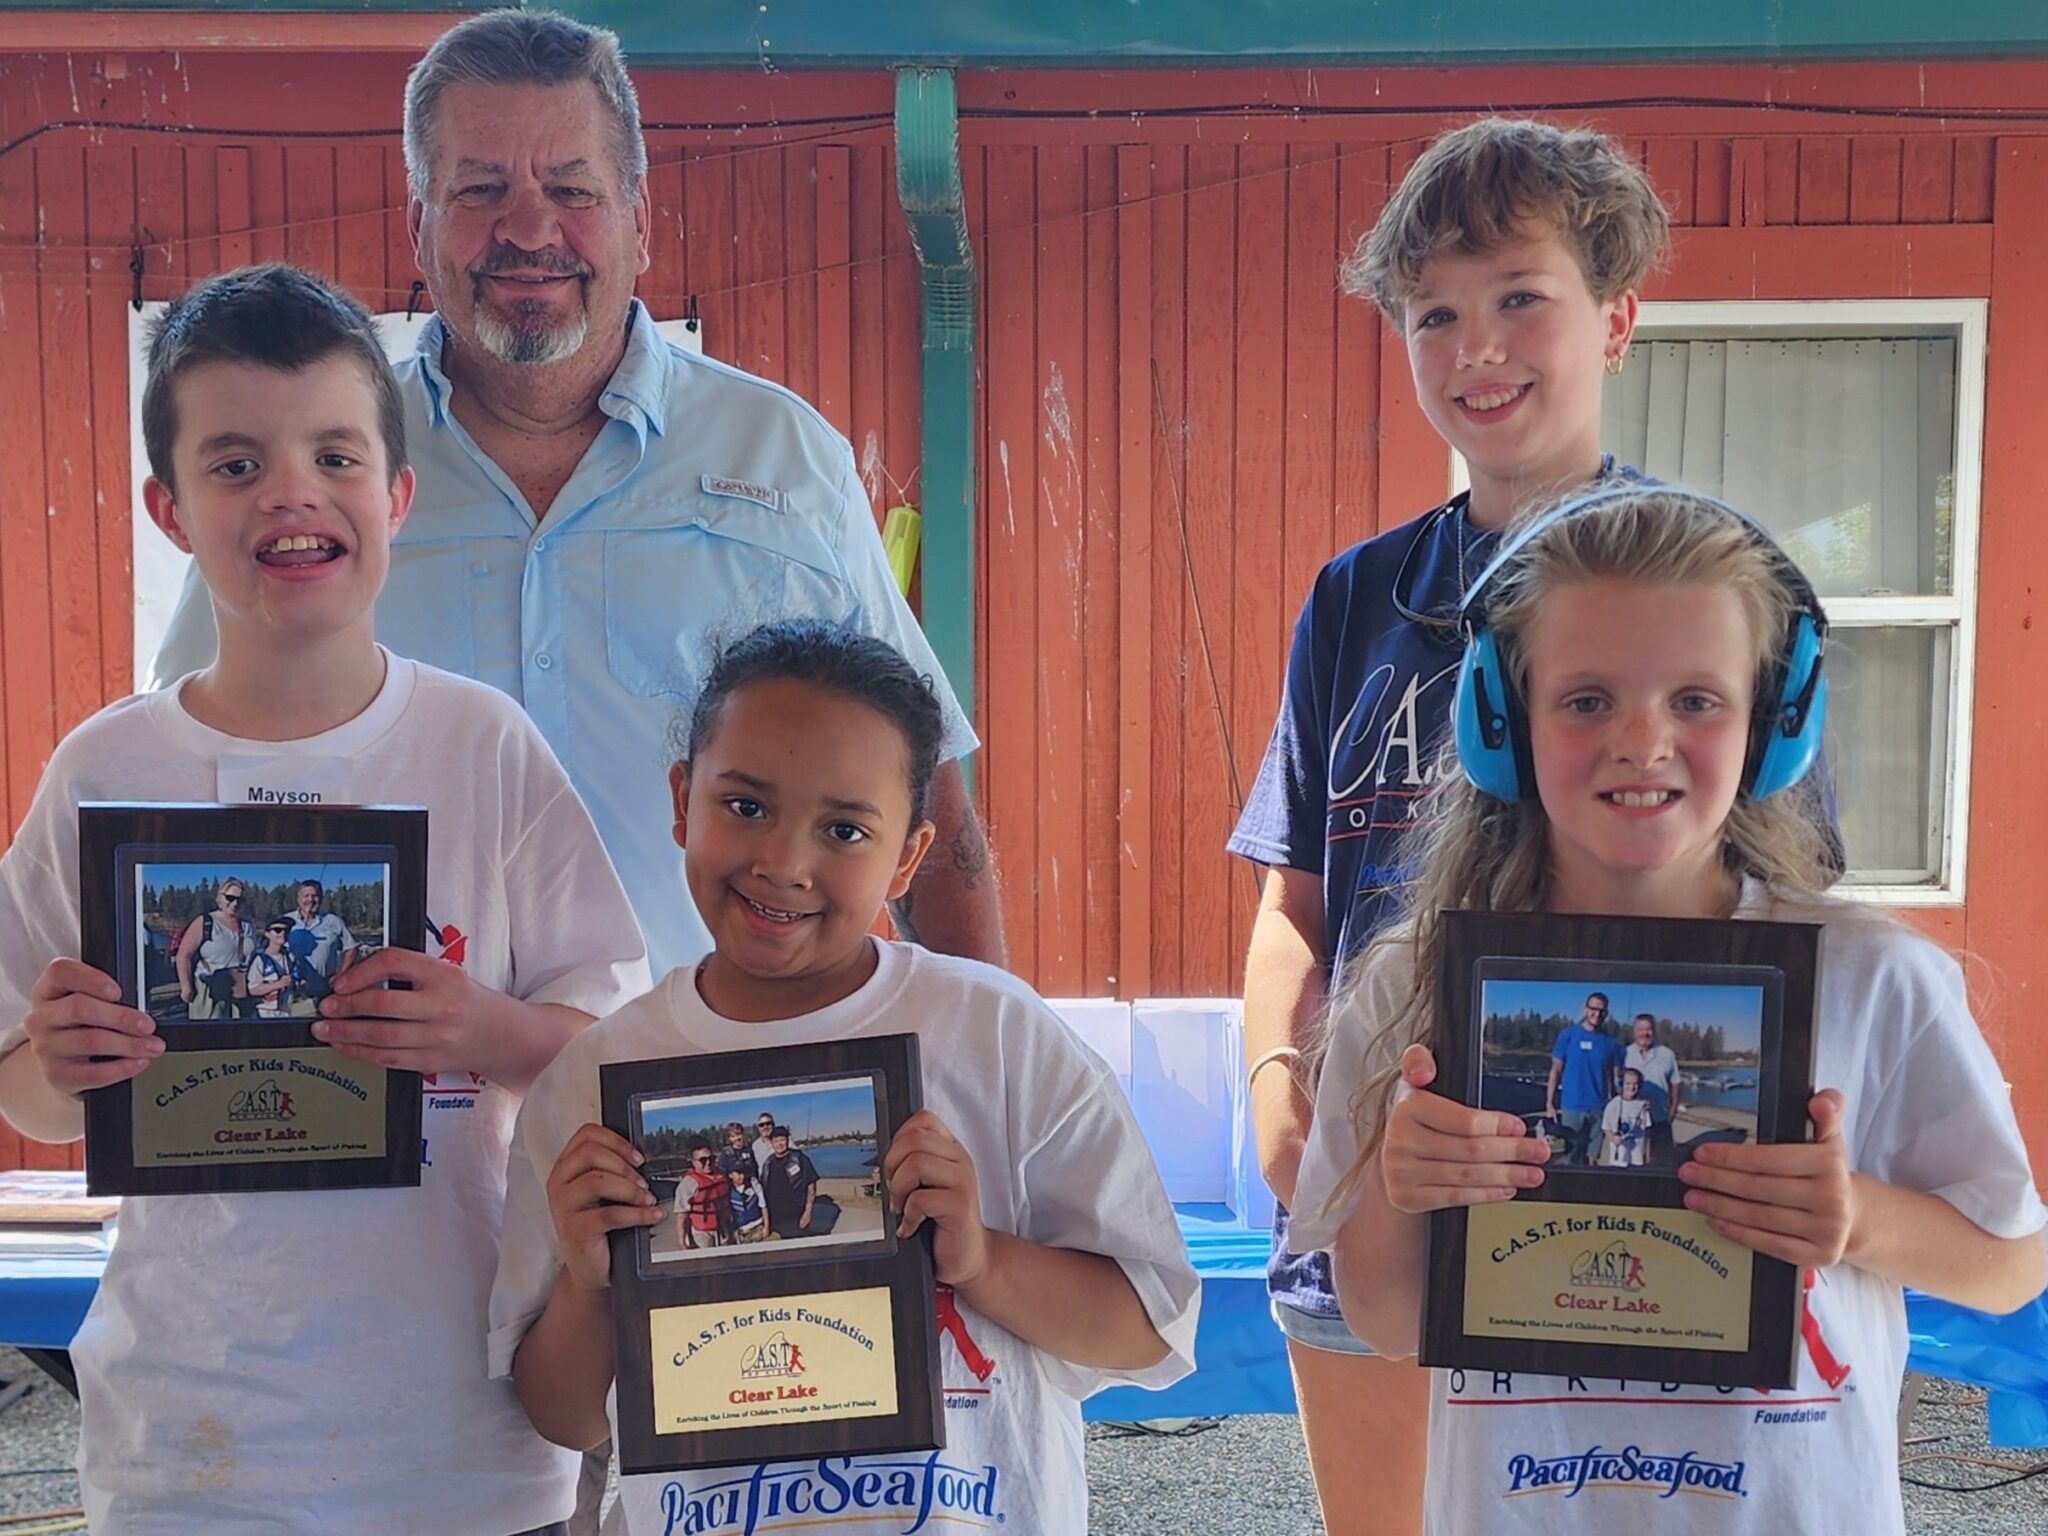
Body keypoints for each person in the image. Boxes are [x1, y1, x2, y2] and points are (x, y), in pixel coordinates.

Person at [146, 7, 1005, 981]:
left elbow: (926, 800)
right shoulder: (314, 469)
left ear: (639, 218)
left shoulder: (781, 459)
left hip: (703, 1069)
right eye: (480, 189)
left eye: (571, 189)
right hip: (386, 1069)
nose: (528, 229)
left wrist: (992, 1051)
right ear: (420, 225)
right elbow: (176, 765)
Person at [0, 264, 650, 1536]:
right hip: (191, 1451)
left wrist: (483, 1030)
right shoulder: (104, 770)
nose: (291, 491)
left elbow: (607, 1054)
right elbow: (23, 1090)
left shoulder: (484, 747)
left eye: (335, 456)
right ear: (170, 509)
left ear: (396, 495)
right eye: (235, 463)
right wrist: (62, 1067)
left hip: (463, 1442)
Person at [1289, 487, 2045, 1535]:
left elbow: (2011, 1266)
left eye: (1695, 699)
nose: (1641, 740)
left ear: (1775, 726)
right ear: (1498, 720)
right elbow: (1379, 1319)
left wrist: (1856, 1218)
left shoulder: (1874, 977)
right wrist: (1401, 1189)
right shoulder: (1411, 985)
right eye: (1585, 700)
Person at [489, 620, 1198, 1533]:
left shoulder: (998, 1036)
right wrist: (592, 1282)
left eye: (845, 829)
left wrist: (982, 1259)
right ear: (682, 799)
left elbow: (1149, 1330)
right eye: (745, 806)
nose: (784, 863)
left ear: (908, 856)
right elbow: (563, 1417)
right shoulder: (596, 1081)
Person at [1226, 115, 1670, 1531]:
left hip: (1606, 1216)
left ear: (1615, 318)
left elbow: (1779, 913)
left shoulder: (1711, 585)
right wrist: (1277, 1092)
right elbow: (1293, 902)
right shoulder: (1353, 598)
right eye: (1434, 314)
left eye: (1519, 298)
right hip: (1375, 1195)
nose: (1476, 348)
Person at [1543, 991, 1622, 1165]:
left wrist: (1618, 1106)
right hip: (1572, 1107)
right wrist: (1550, 1104)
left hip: (1599, 1109)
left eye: (1601, 1010)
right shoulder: (1568, 1035)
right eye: (1593, 1009)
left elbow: (1614, 1078)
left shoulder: (1610, 1043)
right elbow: (1555, 1071)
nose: (1597, 1014)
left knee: (1591, 1159)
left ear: (1606, 1013)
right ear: (1585, 1009)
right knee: (1570, 1157)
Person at [173, 877, 254, 1018]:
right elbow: (184, 955)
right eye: (230, 898)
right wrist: (186, 986)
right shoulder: (205, 922)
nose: (235, 903)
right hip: (209, 990)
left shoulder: (247, 926)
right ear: (220, 897)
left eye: (239, 900)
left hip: (239, 990)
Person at [286, 877, 358, 1015]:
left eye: (315, 896)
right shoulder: (286, 921)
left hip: (325, 991)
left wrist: (340, 975)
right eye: (306, 896)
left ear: (321, 898)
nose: (310, 900)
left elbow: (351, 949)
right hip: (293, 993)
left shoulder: (333, 921)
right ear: (298, 899)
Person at [1624, 1009, 1683, 1162]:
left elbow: (1676, 1086)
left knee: (1661, 1163)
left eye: (1648, 1029)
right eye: (1640, 1029)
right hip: (1632, 1122)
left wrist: (1671, 1114)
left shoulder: (1667, 1054)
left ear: (1654, 1031)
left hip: (1660, 1120)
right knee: (1632, 1163)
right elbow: (1618, 1086)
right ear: (1634, 1032)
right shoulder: (1625, 1054)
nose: (1645, 1033)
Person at [760, 1123, 821, 1240]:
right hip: (775, 1219)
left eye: (782, 1140)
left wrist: (808, 1211)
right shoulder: (768, 1163)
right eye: (776, 1141)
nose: (780, 1144)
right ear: (771, 1143)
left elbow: (811, 1186)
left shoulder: (799, 1158)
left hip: (796, 1216)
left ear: (788, 1140)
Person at [675, 1142, 729, 1250]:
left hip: (723, 1228)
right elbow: (682, 1215)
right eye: (703, 1160)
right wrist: (681, 1241)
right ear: (693, 1162)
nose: (708, 1163)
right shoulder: (688, 1183)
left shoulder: (722, 1174)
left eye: (711, 1158)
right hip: (701, 1233)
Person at [1599, 1067, 1652, 1168]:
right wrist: (1612, 1138)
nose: (1631, 1087)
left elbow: (1647, 1131)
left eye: (1635, 1084)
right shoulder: (1613, 1105)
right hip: (1619, 1158)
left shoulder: (1642, 1105)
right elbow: (1606, 1127)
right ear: (1621, 1084)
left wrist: (1647, 1155)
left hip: (1637, 1157)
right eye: (1628, 1083)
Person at [249, 915, 297, 1019]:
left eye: (286, 930)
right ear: (267, 934)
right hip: (266, 1013)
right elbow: (253, 989)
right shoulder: (260, 959)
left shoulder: (290, 957)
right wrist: (278, 985)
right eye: (277, 930)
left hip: (288, 1012)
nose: (282, 933)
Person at [727, 1162, 768, 1244]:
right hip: (741, 1231)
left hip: (757, 1226)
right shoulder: (728, 1189)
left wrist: (766, 1227)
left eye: (743, 1173)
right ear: (730, 1175)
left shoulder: (753, 1183)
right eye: (738, 1173)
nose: (742, 1176)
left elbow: (763, 1206)